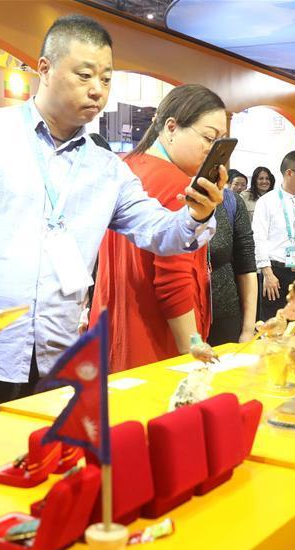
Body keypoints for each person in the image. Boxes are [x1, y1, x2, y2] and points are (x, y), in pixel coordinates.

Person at [0, 15, 225, 423]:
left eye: (106, 79)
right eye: (85, 75)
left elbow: (158, 231)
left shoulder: (106, 168)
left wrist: (195, 215)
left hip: (56, 358)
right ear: (44, 69)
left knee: (46, 459)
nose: (97, 89)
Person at [91, 84, 227, 371]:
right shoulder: (177, 185)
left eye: (220, 141)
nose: (214, 150)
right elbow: (173, 281)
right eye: (208, 138)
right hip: (153, 345)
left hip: (108, 337)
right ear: (171, 127)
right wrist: (191, 351)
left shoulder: (122, 168)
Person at [253, 150, 295, 321]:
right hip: (275, 274)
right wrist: (267, 274)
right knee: (274, 325)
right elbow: (259, 239)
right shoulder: (266, 202)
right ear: (289, 173)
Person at [209, 174, 258, 346]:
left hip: (224, 313)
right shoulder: (166, 197)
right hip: (179, 317)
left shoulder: (231, 201)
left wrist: (248, 330)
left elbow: (246, 264)